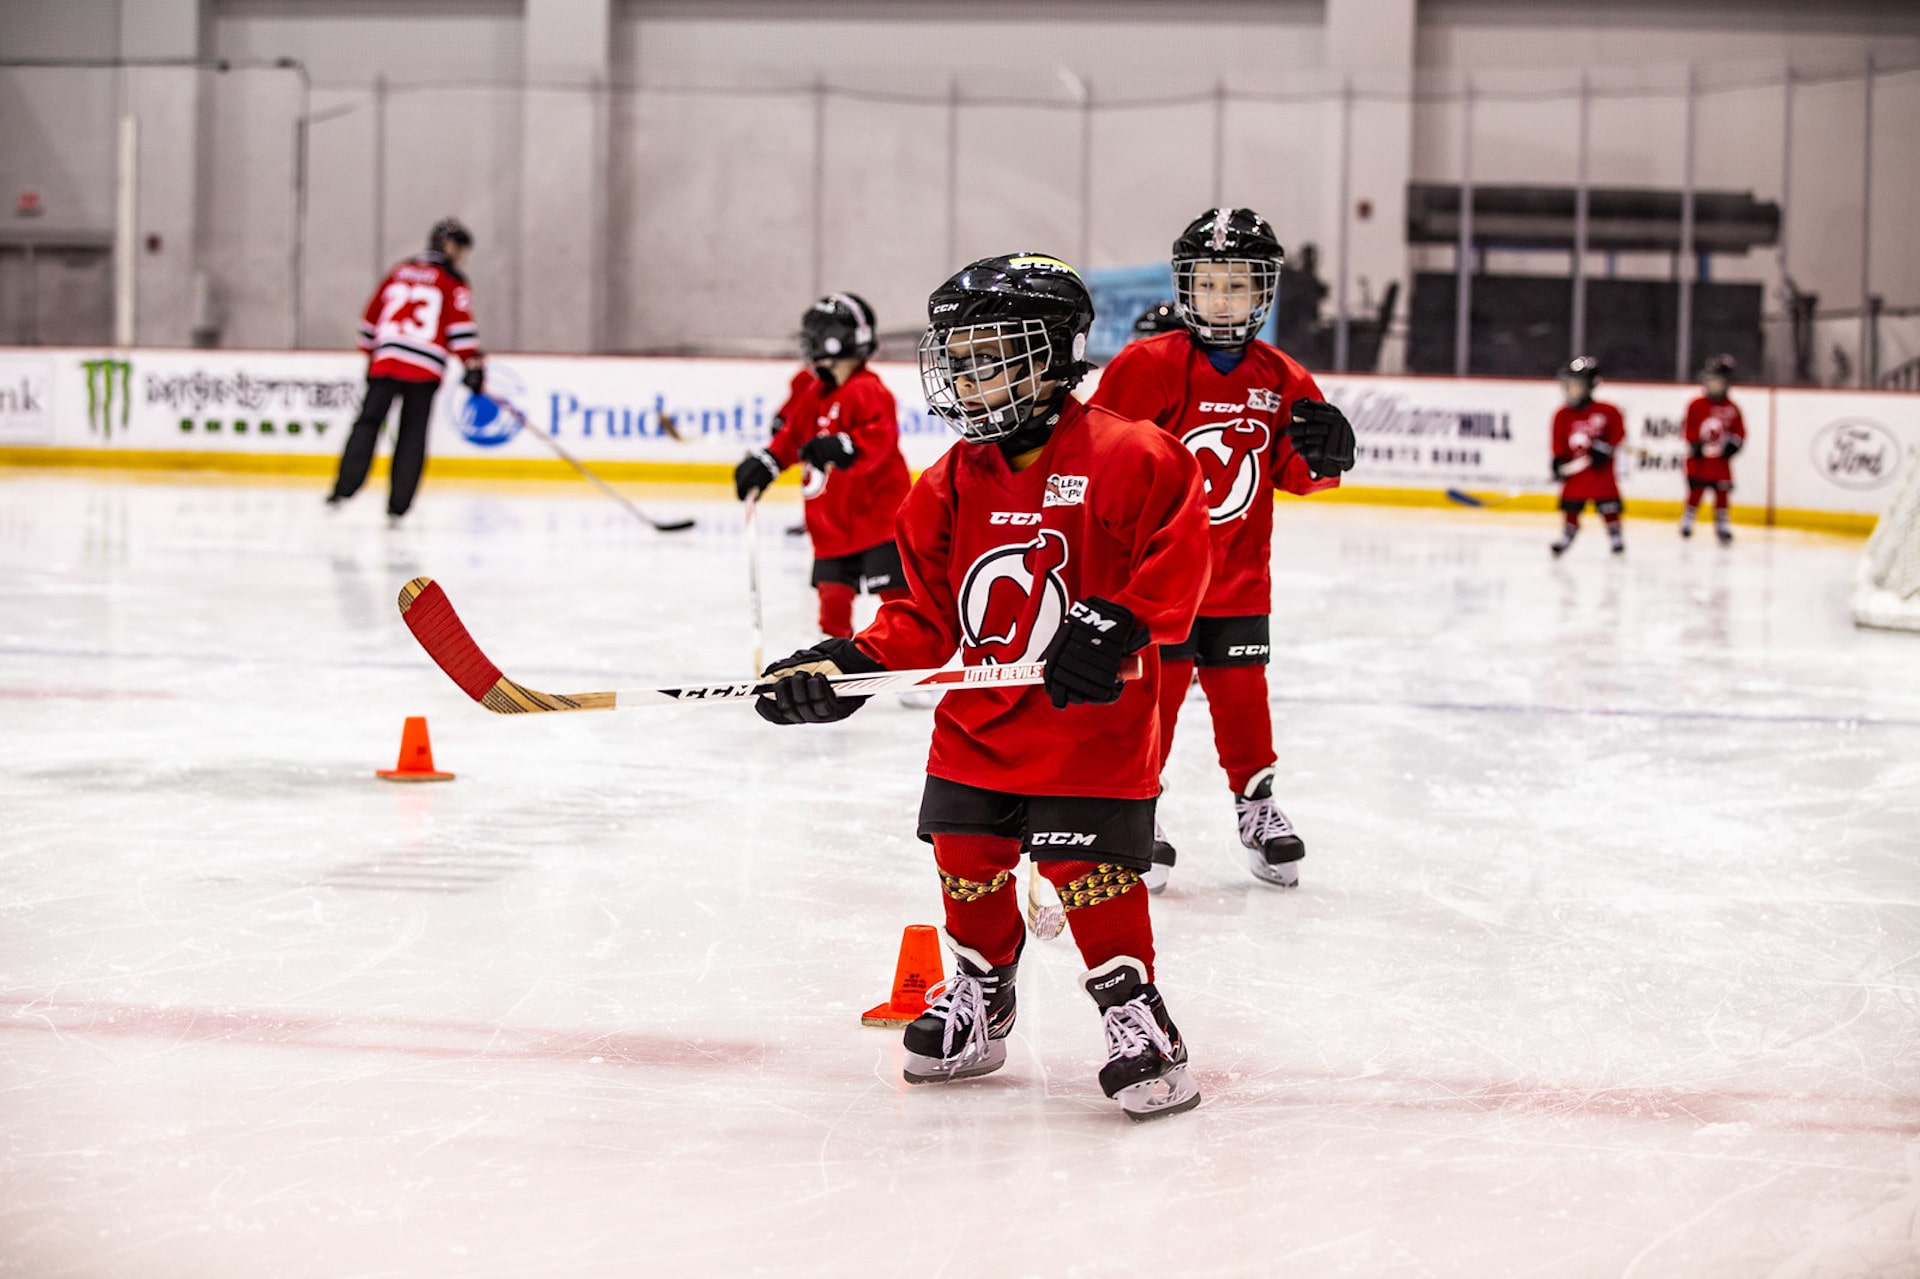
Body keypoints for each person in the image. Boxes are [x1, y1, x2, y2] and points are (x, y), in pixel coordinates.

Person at [754, 254, 1213, 1122]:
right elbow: (922, 617)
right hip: (977, 723)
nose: (967, 377)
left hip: (1090, 728)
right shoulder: (946, 486)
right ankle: (982, 996)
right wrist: (849, 665)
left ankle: (1135, 1013)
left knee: (1089, 870)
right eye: (957, 358)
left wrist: (1125, 616)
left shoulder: (1130, 455)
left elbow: (1182, 556)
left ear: (1051, 356)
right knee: (966, 861)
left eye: (988, 354)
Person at [1088, 208, 1356, 893]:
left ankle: (1257, 802)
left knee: (1243, 696)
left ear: (1263, 292)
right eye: (1210, 285)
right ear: (1187, 289)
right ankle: (1135, 806)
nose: (1224, 300)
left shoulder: (1284, 376)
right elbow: (1102, 462)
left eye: (1238, 286)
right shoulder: (1146, 366)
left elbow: (1299, 473)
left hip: (1239, 580)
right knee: (1157, 699)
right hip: (1159, 585)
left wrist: (1326, 457)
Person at [733, 294, 912, 639]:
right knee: (832, 602)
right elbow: (790, 437)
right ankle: (833, 665)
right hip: (830, 525)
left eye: (815, 334)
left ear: (836, 338)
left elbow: (880, 441)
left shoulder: (868, 391)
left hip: (878, 522)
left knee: (897, 599)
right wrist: (766, 463)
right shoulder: (815, 392)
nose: (808, 343)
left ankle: (908, 660)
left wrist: (846, 446)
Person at [327, 217, 484, 524]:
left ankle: (343, 489)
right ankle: (398, 506)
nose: (463, 258)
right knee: (412, 435)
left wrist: (372, 353)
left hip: (385, 361)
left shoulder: (399, 270)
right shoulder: (452, 281)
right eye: (463, 250)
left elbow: (371, 318)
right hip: (424, 369)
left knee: (367, 423)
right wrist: (472, 364)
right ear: (451, 247)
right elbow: (460, 327)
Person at [1549, 356, 1627, 557]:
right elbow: (1558, 442)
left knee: (1608, 503)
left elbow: (1618, 434)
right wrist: (1559, 461)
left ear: (1590, 386)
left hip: (1600, 473)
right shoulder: (1562, 415)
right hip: (1576, 472)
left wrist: (1604, 448)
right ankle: (1568, 534)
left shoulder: (1608, 411)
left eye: (1576, 385)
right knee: (1571, 504)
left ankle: (1615, 535)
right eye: (1568, 384)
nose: (1570, 389)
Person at [1680, 354, 1746, 544]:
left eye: (1718, 381)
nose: (1714, 385)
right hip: (1700, 462)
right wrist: (1695, 444)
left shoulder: (1732, 408)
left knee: (1722, 494)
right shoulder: (1696, 405)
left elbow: (1739, 431)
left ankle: (1722, 524)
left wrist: (1735, 444)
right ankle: (1688, 519)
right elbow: (1689, 428)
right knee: (1696, 492)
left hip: (1720, 463)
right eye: (1711, 381)